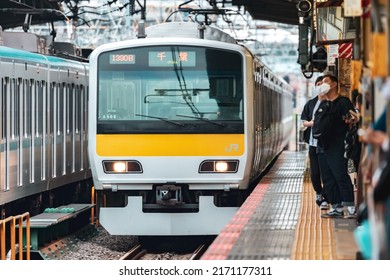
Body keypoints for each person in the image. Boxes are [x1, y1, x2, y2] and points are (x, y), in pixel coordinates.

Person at [312, 74, 357, 218]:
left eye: (326, 82)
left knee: (340, 175)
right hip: (322, 146)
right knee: (327, 178)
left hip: (338, 144)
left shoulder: (343, 102)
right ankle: (336, 207)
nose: (322, 85)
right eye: (321, 83)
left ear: (334, 84)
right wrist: (322, 102)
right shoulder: (320, 103)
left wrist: (349, 120)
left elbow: (351, 119)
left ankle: (350, 207)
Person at [301, 75, 329, 210]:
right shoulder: (310, 103)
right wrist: (312, 123)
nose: (319, 87)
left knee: (326, 172)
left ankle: (325, 198)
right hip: (312, 143)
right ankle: (318, 192)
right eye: (318, 84)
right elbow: (303, 122)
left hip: (326, 144)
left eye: (322, 84)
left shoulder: (330, 103)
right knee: (315, 173)